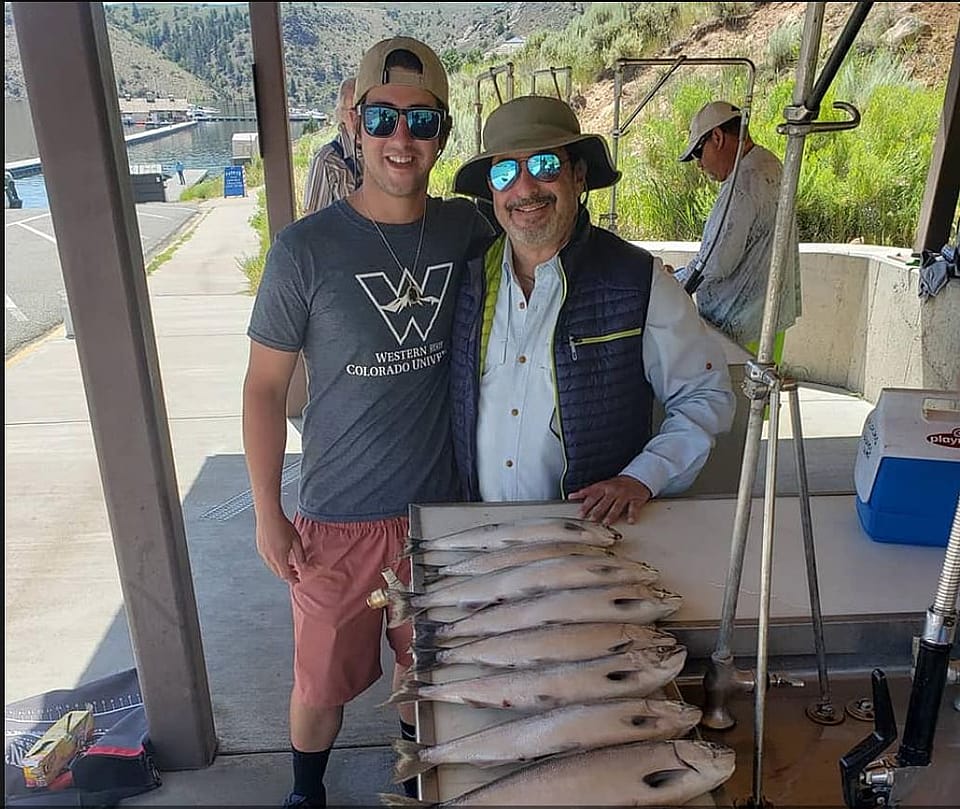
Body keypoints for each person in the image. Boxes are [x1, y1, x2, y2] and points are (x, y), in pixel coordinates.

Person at [242, 36, 494, 808]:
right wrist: (267, 512)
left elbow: (547, 245)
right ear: (355, 121)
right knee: (320, 683)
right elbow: (262, 388)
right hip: (335, 520)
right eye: (383, 117)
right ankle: (304, 792)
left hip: (438, 519)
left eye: (421, 122)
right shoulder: (303, 251)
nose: (401, 138)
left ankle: (428, 780)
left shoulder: (469, 230)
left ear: (443, 135)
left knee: (434, 679)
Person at [449, 95, 736, 527]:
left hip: (588, 543)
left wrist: (643, 477)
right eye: (505, 172)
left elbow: (705, 395)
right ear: (491, 190)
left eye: (545, 166)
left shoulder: (638, 281)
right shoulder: (467, 282)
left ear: (579, 176)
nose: (524, 189)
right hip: (483, 538)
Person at [670, 100, 802, 360]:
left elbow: (716, 261)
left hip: (738, 325)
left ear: (717, 137)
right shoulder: (769, 163)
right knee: (761, 395)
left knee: (739, 397)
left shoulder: (743, 183)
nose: (700, 165)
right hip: (768, 316)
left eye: (699, 152)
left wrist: (673, 283)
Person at [302, 77, 361, 216]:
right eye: (351, 111)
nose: (357, 118)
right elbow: (313, 223)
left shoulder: (382, 154)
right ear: (341, 114)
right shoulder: (326, 161)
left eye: (361, 110)